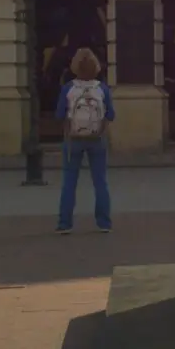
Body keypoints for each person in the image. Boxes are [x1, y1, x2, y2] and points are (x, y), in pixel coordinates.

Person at [55, 48, 116, 234]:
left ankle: (65, 224)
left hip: (73, 140)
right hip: (97, 138)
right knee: (100, 182)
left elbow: (59, 115)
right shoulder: (102, 89)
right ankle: (104, 223)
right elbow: (111, 115)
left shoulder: (68, 88)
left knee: (69, 182)